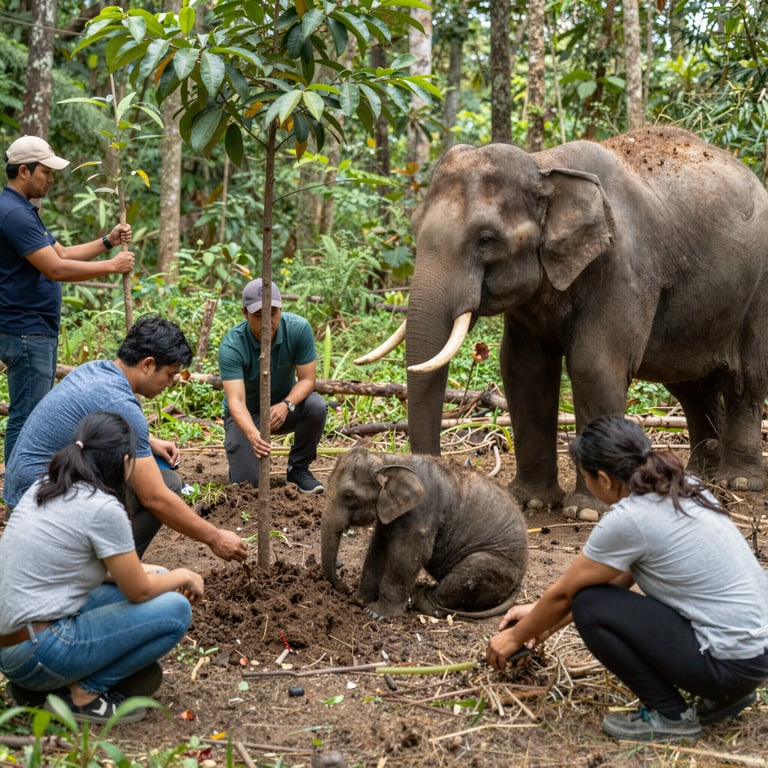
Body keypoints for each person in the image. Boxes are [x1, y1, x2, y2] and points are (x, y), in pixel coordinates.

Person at [486, 415, 768, 744]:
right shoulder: (683, 484)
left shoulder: (629, 519)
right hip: (754, 657)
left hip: (728, 666)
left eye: (586, 478)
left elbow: (569, 595)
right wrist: (540, 621)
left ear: (604, 479)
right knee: (592, 599)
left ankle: (669, 715)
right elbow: (616, 579)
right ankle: (724, 696)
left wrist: (514, 638)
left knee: (590, 606)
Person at [0, 411, 204, 723]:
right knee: (176, 608)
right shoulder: (103, 507)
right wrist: (186, 574)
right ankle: (85, 694)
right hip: (37, 650)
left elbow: (97, 570)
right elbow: (138, 591)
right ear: (123, 460)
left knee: (159, 577)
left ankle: (48, 688)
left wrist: (157, 573)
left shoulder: (48, 483)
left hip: (12, 645)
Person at [3, 314, 247, 563]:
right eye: (170, 374)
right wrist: (215, 537)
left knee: (154, 470)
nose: (171, 383)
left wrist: (148, 441)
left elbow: (94, 424)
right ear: (148, 364)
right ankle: (104, 567)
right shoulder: (122, 403)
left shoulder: (97, 370)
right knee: (167, 485)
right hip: (42, 509)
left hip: (25, 494)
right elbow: (156, 498)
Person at [0, 135, 135, 464]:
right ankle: (18, 496)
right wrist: (112, 266)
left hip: (32, 328)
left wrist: (106, 241)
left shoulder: (23, 211)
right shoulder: (14, 214)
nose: (51, 179)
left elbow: (61, 252)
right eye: (45, 172)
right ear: (23, 172)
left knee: (28, 412)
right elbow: (56, 269)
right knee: (28, 416)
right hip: (26, 330)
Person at [219, 278, 328, 494]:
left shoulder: (298, 329)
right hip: (246, 416)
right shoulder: (232, 345)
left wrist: (286, 405)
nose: (267, 322)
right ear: (244, 313)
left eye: (273, 313)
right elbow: (236, 401)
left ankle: (298, 469)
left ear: (281, 309)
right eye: (258, 316)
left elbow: (307, 380)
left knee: (316, 406)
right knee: (248, 486)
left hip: (284, 410)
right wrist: (251, 434)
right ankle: (241, 464)